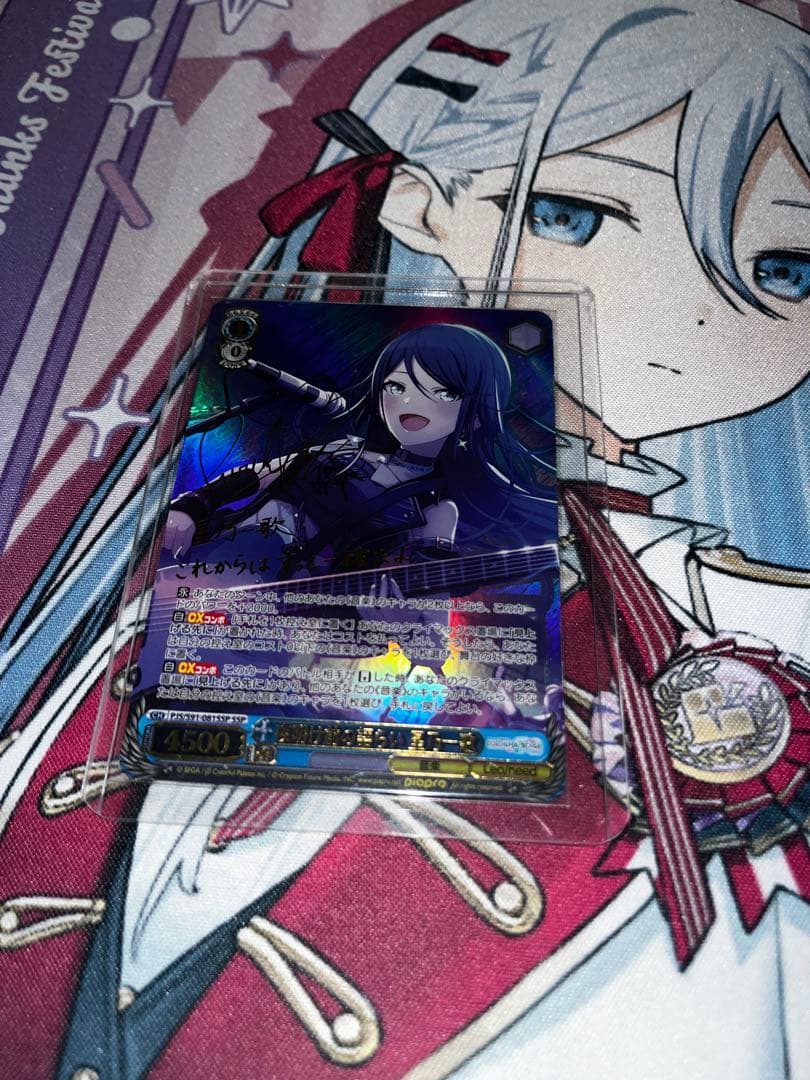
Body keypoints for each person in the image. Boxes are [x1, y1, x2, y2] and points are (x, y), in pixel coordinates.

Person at [2, 3, 808, 1078]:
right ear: (426, 204)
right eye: (574, 215)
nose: (694, 311)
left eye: (784, 269)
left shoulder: (739, 621)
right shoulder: (266, 490)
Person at [163, 322, 557, 582]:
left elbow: (425, 591)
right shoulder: (345, 449)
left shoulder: (438, 507)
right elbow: (258, 474)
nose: (410, 403)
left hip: (275, 602)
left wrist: (398, 616)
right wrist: (190, 507)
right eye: (397, 387)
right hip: (204, 560)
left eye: (443, 392)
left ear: (477, 411)